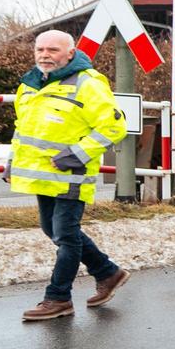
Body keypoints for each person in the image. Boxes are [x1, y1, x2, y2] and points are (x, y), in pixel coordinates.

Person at [10, 30, 131, 321]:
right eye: (40, 49)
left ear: (70, 53)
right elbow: (23, 129)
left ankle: (58, 298)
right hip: (43, 176)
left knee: (65, 234)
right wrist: (12, 161)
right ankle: (107, 272)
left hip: (72, 174)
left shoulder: (88, 83)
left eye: (53, 49)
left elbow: (114, 127)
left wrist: (75, 155)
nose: (45, 55)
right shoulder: (29, 85)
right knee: (53, 230)